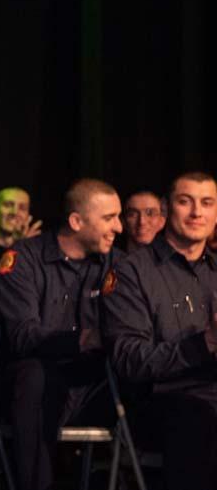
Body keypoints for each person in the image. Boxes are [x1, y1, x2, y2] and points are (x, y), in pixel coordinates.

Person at [0, 178, 122, 490]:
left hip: (90, 385)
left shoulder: (116, 264)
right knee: (35, 374)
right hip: (33, 384)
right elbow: (23, 337)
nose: (119, 227)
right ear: (77, 221)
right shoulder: (24, 258)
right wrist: (83, 340)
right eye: (109, 218)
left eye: (118, 216)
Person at [103, 171, 217, 489]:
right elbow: (129, 360)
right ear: (166, 209)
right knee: (198, 417)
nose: (197, 213)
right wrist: (206, 342)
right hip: (161, 403)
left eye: (207, 203)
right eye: (186, 202)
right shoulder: (132, 272)